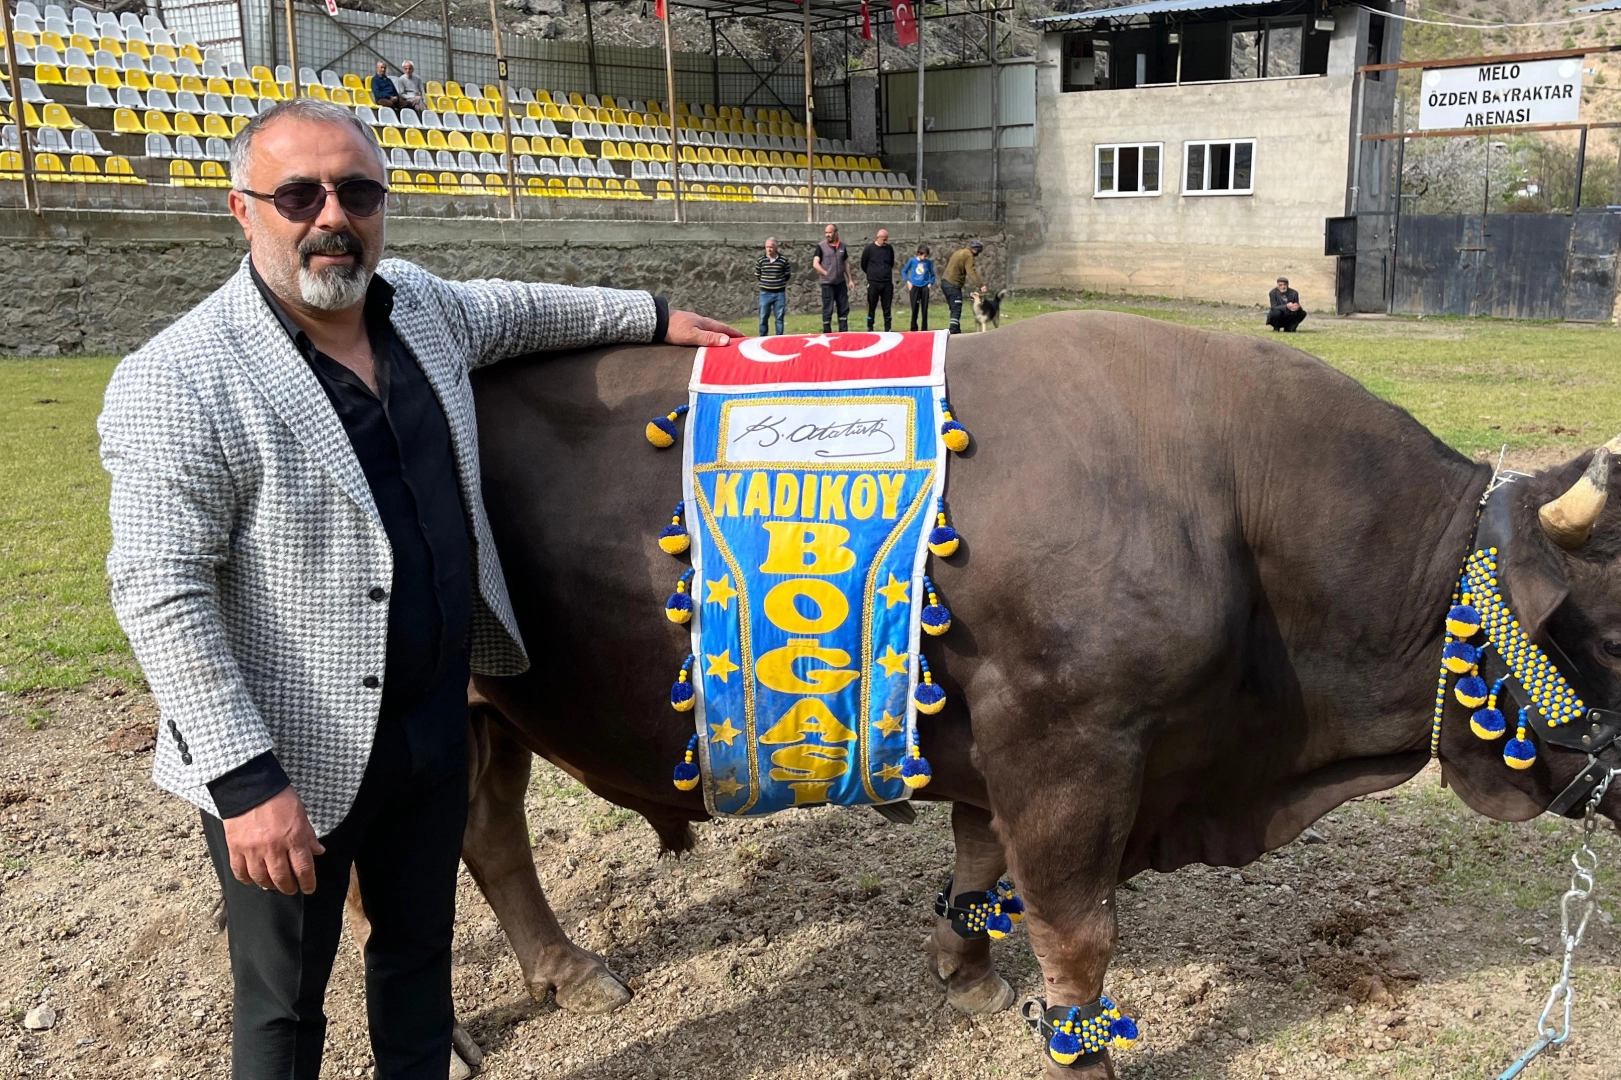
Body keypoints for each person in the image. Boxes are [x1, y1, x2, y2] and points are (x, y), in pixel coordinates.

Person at [97, 98, 738, 1080]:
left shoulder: (419, 308)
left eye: (357, 192)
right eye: (299, 195)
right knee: (283, 1007)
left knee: (416, 963)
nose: (332, 216)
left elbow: (523, 308)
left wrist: (652, 316)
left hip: (431, 726)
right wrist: (245, 785)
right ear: (242, 209)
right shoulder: (175, 378)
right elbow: (159, 589)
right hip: (289, 754)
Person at [812, 222, 854, 333]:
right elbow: (815, 263)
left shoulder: (842, 247)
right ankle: (827, 332)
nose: (827, 235)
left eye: (830, 232)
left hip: (840, 283)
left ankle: (843, 331)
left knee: (843, 308)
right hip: (827, 284)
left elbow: (846, 263)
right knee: (828, 308)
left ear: (835, 233)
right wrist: (825, 273)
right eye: (826, 232)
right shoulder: (821, 246)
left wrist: (850, 279)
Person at [941, 239, 986, 335]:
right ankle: (953, 330)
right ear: (976, 250)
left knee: (953, 307)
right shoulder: (969, 255)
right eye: (979, 251)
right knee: (956, 307)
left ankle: (956, 328)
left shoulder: (959, 252)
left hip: (945, 282)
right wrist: (981, 285)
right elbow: (971, 272)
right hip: (953, 284)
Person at [860, 228, 896, 332]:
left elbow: (891, 263)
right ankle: (870, 327)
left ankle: (888, 328)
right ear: (878, 238)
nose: (885, 242)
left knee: (887, 307)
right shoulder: (869, 249)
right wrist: (872, 273)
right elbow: (863, 264)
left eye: (886, 239)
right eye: (883, 239)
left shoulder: (889, 249)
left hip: (887, 283)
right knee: (871, 306)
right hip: (873, 283)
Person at [754, 235, 791, 336]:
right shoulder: (761, 261)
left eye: (771, 247)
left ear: (776, 248)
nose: (769, 249)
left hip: (779, 294)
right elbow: (758, 274)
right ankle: (762, 337)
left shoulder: (783, 260)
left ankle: (779, 338)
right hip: (765, 293)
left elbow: (787, 275)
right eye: (767, 247)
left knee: (779, 318)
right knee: (763, 318)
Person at [903, 243, 935, 331]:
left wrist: (930, 283)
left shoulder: (928, 262)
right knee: (914, 308)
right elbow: (904, 271)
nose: (925, 258)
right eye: (924, 256)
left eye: (927, 256)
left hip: (924, 287)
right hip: (914, 287)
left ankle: (924, 328)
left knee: (924, 309)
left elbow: (933, 275)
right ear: (919, 254)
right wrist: (908, 281)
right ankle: (913, 327)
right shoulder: (912, 261)